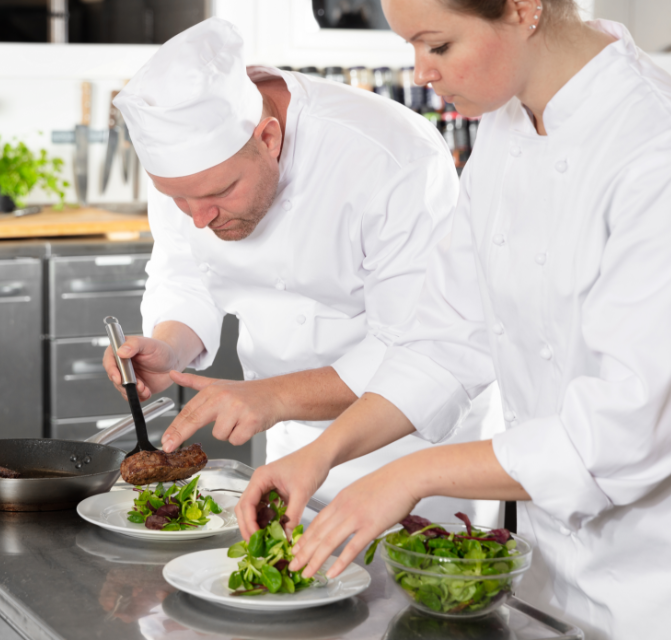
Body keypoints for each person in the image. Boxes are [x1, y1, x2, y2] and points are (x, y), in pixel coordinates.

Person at [237, 1, 671, 638]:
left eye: (437, 45)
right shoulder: (507, 124)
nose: (421, 72)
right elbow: (446, 338)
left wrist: (406, 476)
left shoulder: (665, 151)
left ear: (522, 8)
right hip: (547, 572)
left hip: (664, 585)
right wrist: (322, 455)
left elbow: (623, 433)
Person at [103, 16, 502, 523]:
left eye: (218, 194)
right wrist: (168, 346)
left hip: (414, 451)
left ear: (267, 138)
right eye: (176, 199)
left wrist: (271, 395)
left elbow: (418, 347)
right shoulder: (191, 171)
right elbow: (186, 274)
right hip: (291, 444)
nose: (198, 216)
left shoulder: (390, 155)